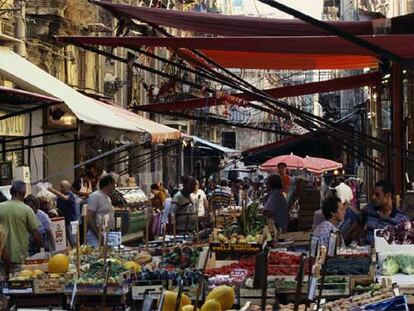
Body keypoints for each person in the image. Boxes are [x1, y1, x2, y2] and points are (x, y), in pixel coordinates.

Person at [0, 181, 41, 265]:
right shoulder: (27, 210)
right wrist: (41, 249)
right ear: (23, 193)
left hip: (2, 256)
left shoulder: (0, 207)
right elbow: (36, 235)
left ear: (11, 192)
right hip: (19, 257)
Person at [86, 174, 116, 247]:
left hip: (107, 233)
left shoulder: (108, 197)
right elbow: (89, 217)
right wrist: (98, 234)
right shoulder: (95, 196)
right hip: (96, 236)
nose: (115, 187)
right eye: (114, 184)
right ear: (109, 184)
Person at [49, 181, 77, 247]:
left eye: (63, 187)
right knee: (65, 240)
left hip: (71, 221)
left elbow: (65, 198)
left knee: (72, 239)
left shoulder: (70, 194)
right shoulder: (60, 197)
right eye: (60, 187)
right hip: (63, 221)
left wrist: (52, 190)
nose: (61, 189)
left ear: (68, 187)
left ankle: (76, 253)